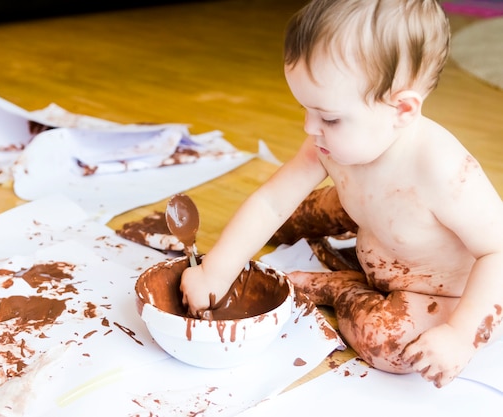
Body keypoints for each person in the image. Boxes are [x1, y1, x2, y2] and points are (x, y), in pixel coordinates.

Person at [180, 0, 503, 388]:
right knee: (297, 210)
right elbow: (271, 202)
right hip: (370, 223)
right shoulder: (332, 142)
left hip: (431, 288)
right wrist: (216, 270)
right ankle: (337, 253)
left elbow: (497, 252)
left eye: (329, 117)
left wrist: (461, 336)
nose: (310, 127)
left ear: (401, 108)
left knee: (393, 346)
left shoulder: (442, 170)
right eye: (305, 109)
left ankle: (339, 288)